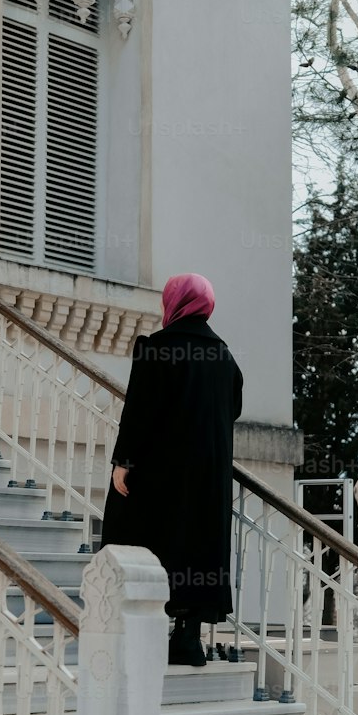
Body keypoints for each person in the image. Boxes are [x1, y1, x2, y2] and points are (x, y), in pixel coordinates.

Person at [100, 273, 243, 666]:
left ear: (174, 302)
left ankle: (137, 632)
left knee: (135, 537)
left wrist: (123, 462)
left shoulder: (157, 347)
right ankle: (188, 638)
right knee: (196, 549)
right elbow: (233, 410)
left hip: (160, 473)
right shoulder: (224, 357)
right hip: (208, 480)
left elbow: (139, 412)